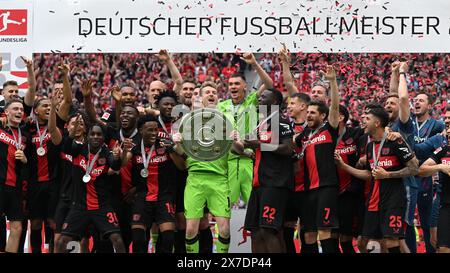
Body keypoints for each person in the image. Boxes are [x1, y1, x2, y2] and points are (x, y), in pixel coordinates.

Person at [335, 107, 419, 253]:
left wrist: (388, 175)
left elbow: (414, 168)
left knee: (392, 242)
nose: (363, 121)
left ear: (377, 123)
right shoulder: (369, 147)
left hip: (394, 199)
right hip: (373, 201)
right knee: (367, 243)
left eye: (367, 119)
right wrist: (344, 166)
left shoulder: (396, 141)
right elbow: (369, 174)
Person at [172, 82, 233, 253]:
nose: (211, 94)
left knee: (225, 229)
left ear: (218, 98)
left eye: (214, 92)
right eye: (207, 92)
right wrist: (176, 143)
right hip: (195, 179)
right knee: (190, 229)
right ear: (200, 97)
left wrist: (235, 139)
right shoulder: (189, 121)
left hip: (219, 179)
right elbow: (181, 151)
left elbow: (237, 148)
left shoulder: (225, 121)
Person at [56, 123, 126, 253]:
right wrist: (71, 135)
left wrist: (117, 157)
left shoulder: (107, 153)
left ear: (104, 137)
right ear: (87, 136)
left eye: (99, 134)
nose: (95, 137)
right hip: (79, 206)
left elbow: (116, 166)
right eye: (92, 134)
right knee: (62, 240)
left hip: (102, 206)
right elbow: (65, 147)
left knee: (117, 238)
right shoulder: (78, 149)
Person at [238, 87, 294, 253]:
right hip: (258, 183)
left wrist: (258, 145)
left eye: (263, 97)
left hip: (275, 184)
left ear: (275, 102)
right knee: (255, 231)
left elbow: (288, 149)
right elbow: (260, 152)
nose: (259, 99)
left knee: (268, 230)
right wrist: (246, 150)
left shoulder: (281, 122)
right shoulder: (260, 124)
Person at [293, 65, 340, 253]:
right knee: (308, 233)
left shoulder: (329, 130)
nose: (309, 115)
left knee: (324, 231)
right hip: (307, 190)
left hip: (326, 187)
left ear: (323, 116)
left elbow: (335, 106)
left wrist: (332, 82)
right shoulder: (303, 135)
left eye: (313, 113)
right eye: (308, 113)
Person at [218, 52, 274, 206]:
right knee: (224, 207)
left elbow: (269, 85)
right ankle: (221, 231)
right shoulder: (221, 106)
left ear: (245, 86)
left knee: (256, 205)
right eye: (230, 84)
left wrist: (254, 64)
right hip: (228, 162)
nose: (233, 87)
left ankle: (252, 231)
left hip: (250, 161)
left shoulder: (252, 101)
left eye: (236, 84)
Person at [128, 115, 183, 253]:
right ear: (141, 130)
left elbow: (182, 166)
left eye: (155, 129)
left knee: (168, 239)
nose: (154, 133)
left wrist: (171, 150)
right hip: (142, 198)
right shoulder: (134, 146)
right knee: (138, 240)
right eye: (150, 130)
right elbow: (120, 164)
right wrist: (122, 152)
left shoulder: (164, 144)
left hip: (164, 197)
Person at [0, 99, 33, 252]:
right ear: (6, 112)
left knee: (17, 227)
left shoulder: (25, 134)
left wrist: (25, 160)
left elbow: (32, 162)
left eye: (21, 109)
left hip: (15, 187)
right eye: (15, 109)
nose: (19, 111)